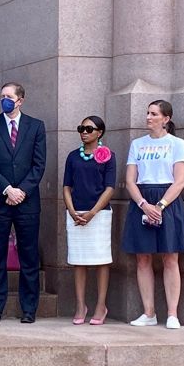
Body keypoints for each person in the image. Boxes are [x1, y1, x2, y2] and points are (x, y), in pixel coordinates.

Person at [121, 101, 184, 328]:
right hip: (142, 200)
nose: (148, 117)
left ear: (166, 119)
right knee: (142, 257)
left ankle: (172, 314)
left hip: (168, 201)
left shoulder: (177, 144)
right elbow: (130, 180)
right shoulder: (137, 144)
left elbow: (180, 180)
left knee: (170, 257)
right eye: (147, 113)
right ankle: (149, 312)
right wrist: (144, 204)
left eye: (154, 114)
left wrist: (160, 206)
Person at [0, 82, 48, 323]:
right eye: (2, 97)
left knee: (29, 257)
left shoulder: (36, 127)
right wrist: (7, 189)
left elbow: (39, 165)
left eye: (9, 97)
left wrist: (21, 191)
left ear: (20, 100)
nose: (4, 100)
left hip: (27, 203)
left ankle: (29, 309)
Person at [63, 116, 117, 325]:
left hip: (99, 214)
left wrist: (93, 212)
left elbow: (110, 187)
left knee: (101, 260)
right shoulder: (72, 157)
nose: (84, 132)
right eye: (81, 128)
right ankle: (80, 305)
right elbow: (67, 186)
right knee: (79, 261)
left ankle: (100, 305)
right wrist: (71, 209)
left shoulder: (108, 156)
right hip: (76, 213)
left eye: (88, 129)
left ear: (99, 133)